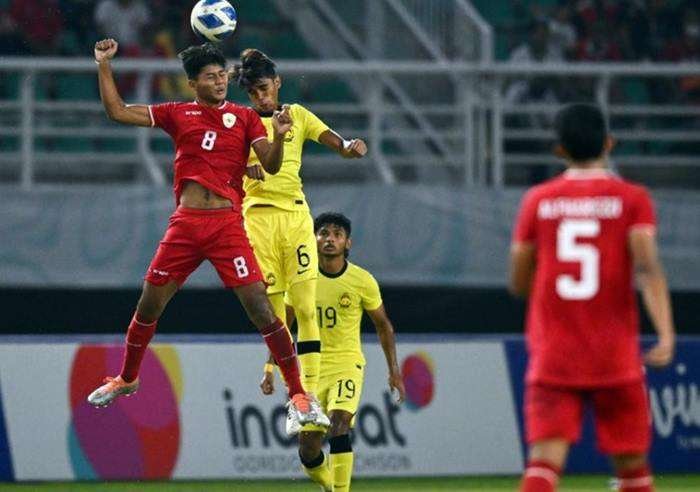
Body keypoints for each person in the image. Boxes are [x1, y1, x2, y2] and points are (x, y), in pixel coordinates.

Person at [86, 39, 327, 430]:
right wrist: (103, 65)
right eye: (210, 77)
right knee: (149, 306)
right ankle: (127, 378)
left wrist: (280, 135)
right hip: (185, 224)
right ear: (192, 84)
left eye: (221, 76)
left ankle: (299, 395)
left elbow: (270, 163)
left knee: (262, 309)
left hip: (227, 226)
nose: (219, 82)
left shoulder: (245, 118)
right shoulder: (176, 113)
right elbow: (116, 111)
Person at [510, 103, 676, 492]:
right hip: (614, 355)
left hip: (554, 354)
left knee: (544, 465)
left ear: (560, 151)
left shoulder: (538, 200)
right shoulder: (633, 199)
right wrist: (666, 335)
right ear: (609, 143)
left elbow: (519, 282)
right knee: (633, 468)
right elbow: (647, 269)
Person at [230, 49, 367, 402]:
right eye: (254, 92)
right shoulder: (241, 122)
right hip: (258, 218)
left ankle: (308, 395)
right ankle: (293, 390)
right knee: (275, 317)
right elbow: (219, 166)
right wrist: (243, 169)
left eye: (265, 88)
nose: (261, 97)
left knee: (306, 307)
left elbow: (334, 140)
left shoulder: (298, 115)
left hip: (294, 216)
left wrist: (349, 146)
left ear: (278, 83)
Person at [260, 212, 405, 492]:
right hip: (311, 370)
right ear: (313, 239)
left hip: (347, 364)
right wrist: (270, 367)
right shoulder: (302, 280)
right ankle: (329, 485)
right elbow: (283, 329)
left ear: (347, 243)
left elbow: (384, 326)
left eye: (337, 234)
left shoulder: (362, 281)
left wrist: (394, 371)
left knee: (340, 424)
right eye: (323, 233)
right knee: (308, 450)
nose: (329, 239)